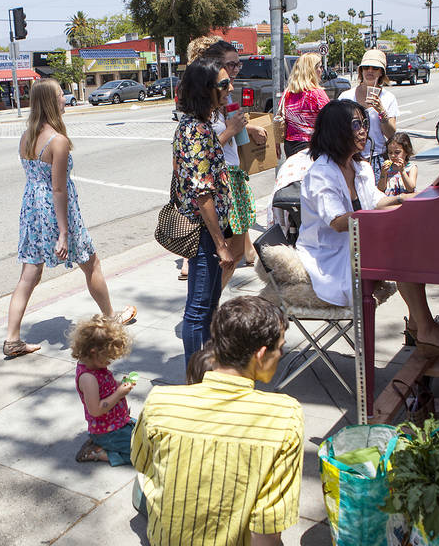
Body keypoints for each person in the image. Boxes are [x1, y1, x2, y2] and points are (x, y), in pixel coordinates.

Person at [132, 296, 303, 545]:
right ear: (261, 354)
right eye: (280, 348)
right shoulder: (284, 418)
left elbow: (143, 464)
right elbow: (266, 532)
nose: (281, 355)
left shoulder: (159, 401)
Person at [297, 99, 439, 350]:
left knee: (411, 247)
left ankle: (419, 325)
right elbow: (337, 222)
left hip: (357, 244)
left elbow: (376, 201)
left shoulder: (359, 166)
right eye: (356, 124)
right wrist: (386, 220)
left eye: (364, 123)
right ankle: (424, 327)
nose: (363, 130)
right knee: (401, 253)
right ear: (336, 130)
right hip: (331, 257)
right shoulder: (321, 173)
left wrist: (403, 199)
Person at [5, 78, 135, 356]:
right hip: (55, 210)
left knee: (30, 272)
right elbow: (59, 189)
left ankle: (12, 338)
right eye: (60, 95)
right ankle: (111, 317)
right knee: (91, 263)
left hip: (32, 209)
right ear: (52, 102)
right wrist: (63, 232)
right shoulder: (58, 141)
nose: (65, 98)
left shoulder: (26, 137)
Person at [172, 57, 234, 366]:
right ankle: (196, 378)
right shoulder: (195, 131)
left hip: (207, 230)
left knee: (209, 304)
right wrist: (220, 244)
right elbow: (202, 192)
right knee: (198, 310)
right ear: (204, 90)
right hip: (203, 233)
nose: (229, 88)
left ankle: (207, 369)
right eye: (223, 85)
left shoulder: (198, 126)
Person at [202, 40, 265, 286]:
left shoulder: (224, 99)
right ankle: (208, 303)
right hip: (220, 183)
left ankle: (214, 300)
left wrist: (244, 127)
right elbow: (200, 153)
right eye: (231, 65)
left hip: (234, 176)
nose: (236, 70)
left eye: (238, 65)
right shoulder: (204, 106)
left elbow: (229, 130)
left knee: (236, 252)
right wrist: (231, 130)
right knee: (224, 254)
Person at [70, 314, 136, 466]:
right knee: (144, 454)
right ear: (93, 351)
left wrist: (120, 384)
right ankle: (100, 453)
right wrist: (119, 393)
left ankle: (101, 444)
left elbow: (107, 387)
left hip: (118, 423)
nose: (109, 361)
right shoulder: (88, 378)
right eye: (108, 358)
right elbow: (96, 410)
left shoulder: (97, 367)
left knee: (147, 436)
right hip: (108, 432)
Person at [340, 49, 399, 183]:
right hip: (351, 158)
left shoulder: (388, 98)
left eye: (375, 68)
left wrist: (381, 111)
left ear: (381, 72)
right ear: (361, 71)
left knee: (376, 202)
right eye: (366, 67)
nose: (370, 71)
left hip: (376, 158)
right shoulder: (346, 96)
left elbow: (391, 134)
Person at [280, 52, 331, 158]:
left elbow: (281, 118)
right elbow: (331, 119)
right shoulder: (317, 93)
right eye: (320, 67)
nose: (322, 70)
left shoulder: (288, 93)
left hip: (290, 145)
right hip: (312, 145)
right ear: (312, 70)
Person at [378, 132, 418, 196]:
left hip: (406, 201)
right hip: (391, 201)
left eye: (397, 152)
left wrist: (402, 171)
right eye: (390, 153)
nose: (393, 155)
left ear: (406, 151)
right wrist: (383, 173)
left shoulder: (411, 168)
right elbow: (381, 189)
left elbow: (411, 188)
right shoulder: (388, 169)